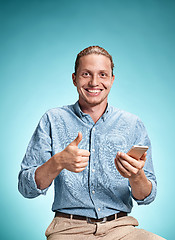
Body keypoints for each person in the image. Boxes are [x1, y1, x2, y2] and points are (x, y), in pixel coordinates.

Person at [18, 46, 165, 239]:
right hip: (68, 230)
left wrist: (136, 175)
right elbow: (25, 187)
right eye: (86, 74)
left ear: (112, 80)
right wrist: (58, 162)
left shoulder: (132, 124)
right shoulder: (53, 119)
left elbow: (147, 196)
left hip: (120, 229)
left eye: (103, 74)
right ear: (74, 79)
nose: (94, 82)